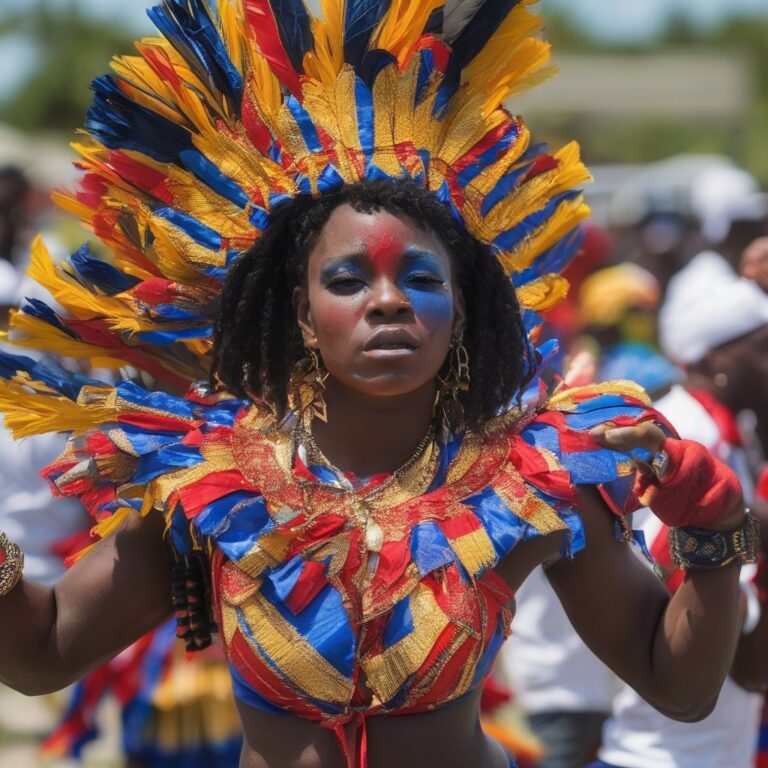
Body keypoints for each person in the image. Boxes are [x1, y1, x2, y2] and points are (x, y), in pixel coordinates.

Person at [0, 3, 759, 768]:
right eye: (348, 278)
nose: (388, 300)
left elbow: (682, 690)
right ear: (302, 310)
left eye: (420, 276)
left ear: (461, 309)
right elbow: (41, 652)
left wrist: (715, 530)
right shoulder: (213, 486)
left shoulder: (529, 480)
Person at [594, 252, 768, 768]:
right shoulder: (685, 427)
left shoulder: (738, 427)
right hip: (667, 747)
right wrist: (750, 616)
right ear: (713, 362)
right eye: (761, 348)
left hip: (717, 736)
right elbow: (656, 561)